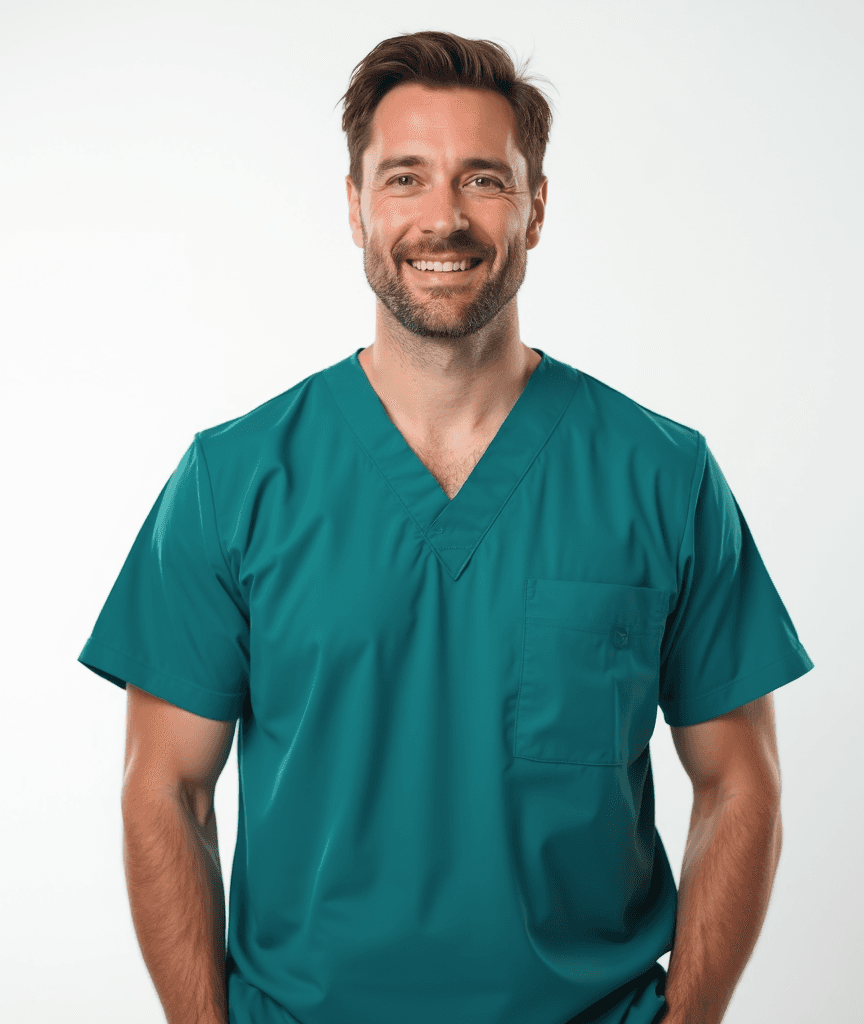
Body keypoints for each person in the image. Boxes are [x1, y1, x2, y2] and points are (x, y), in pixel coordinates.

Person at [79, 29, 814, 1024]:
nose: (443, 217)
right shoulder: (234, 479)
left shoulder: (661, 476)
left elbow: (739, 785)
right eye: (405, 178)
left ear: (535, 207)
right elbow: (166, 789)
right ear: (355, 204)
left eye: (482, 179)